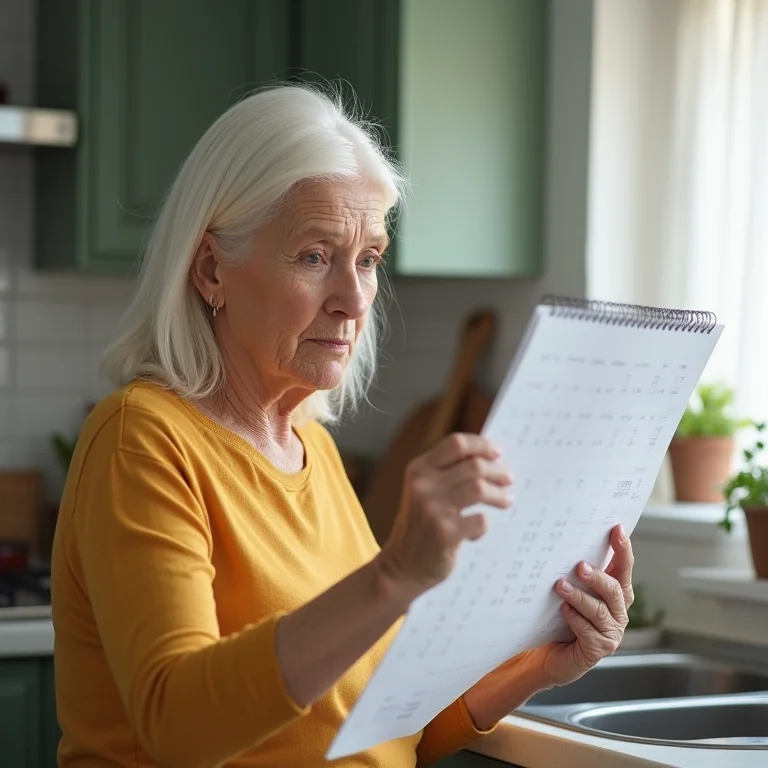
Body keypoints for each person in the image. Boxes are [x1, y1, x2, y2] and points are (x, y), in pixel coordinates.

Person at [50, 84, 635, 767]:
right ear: (211, 269)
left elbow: (385, 730)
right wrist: (394, 575)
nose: (354, 300)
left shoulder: (314, 450)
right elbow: (175, 724)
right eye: (314, 256)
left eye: (368, 259)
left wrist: (543, 666)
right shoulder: (142, 438)